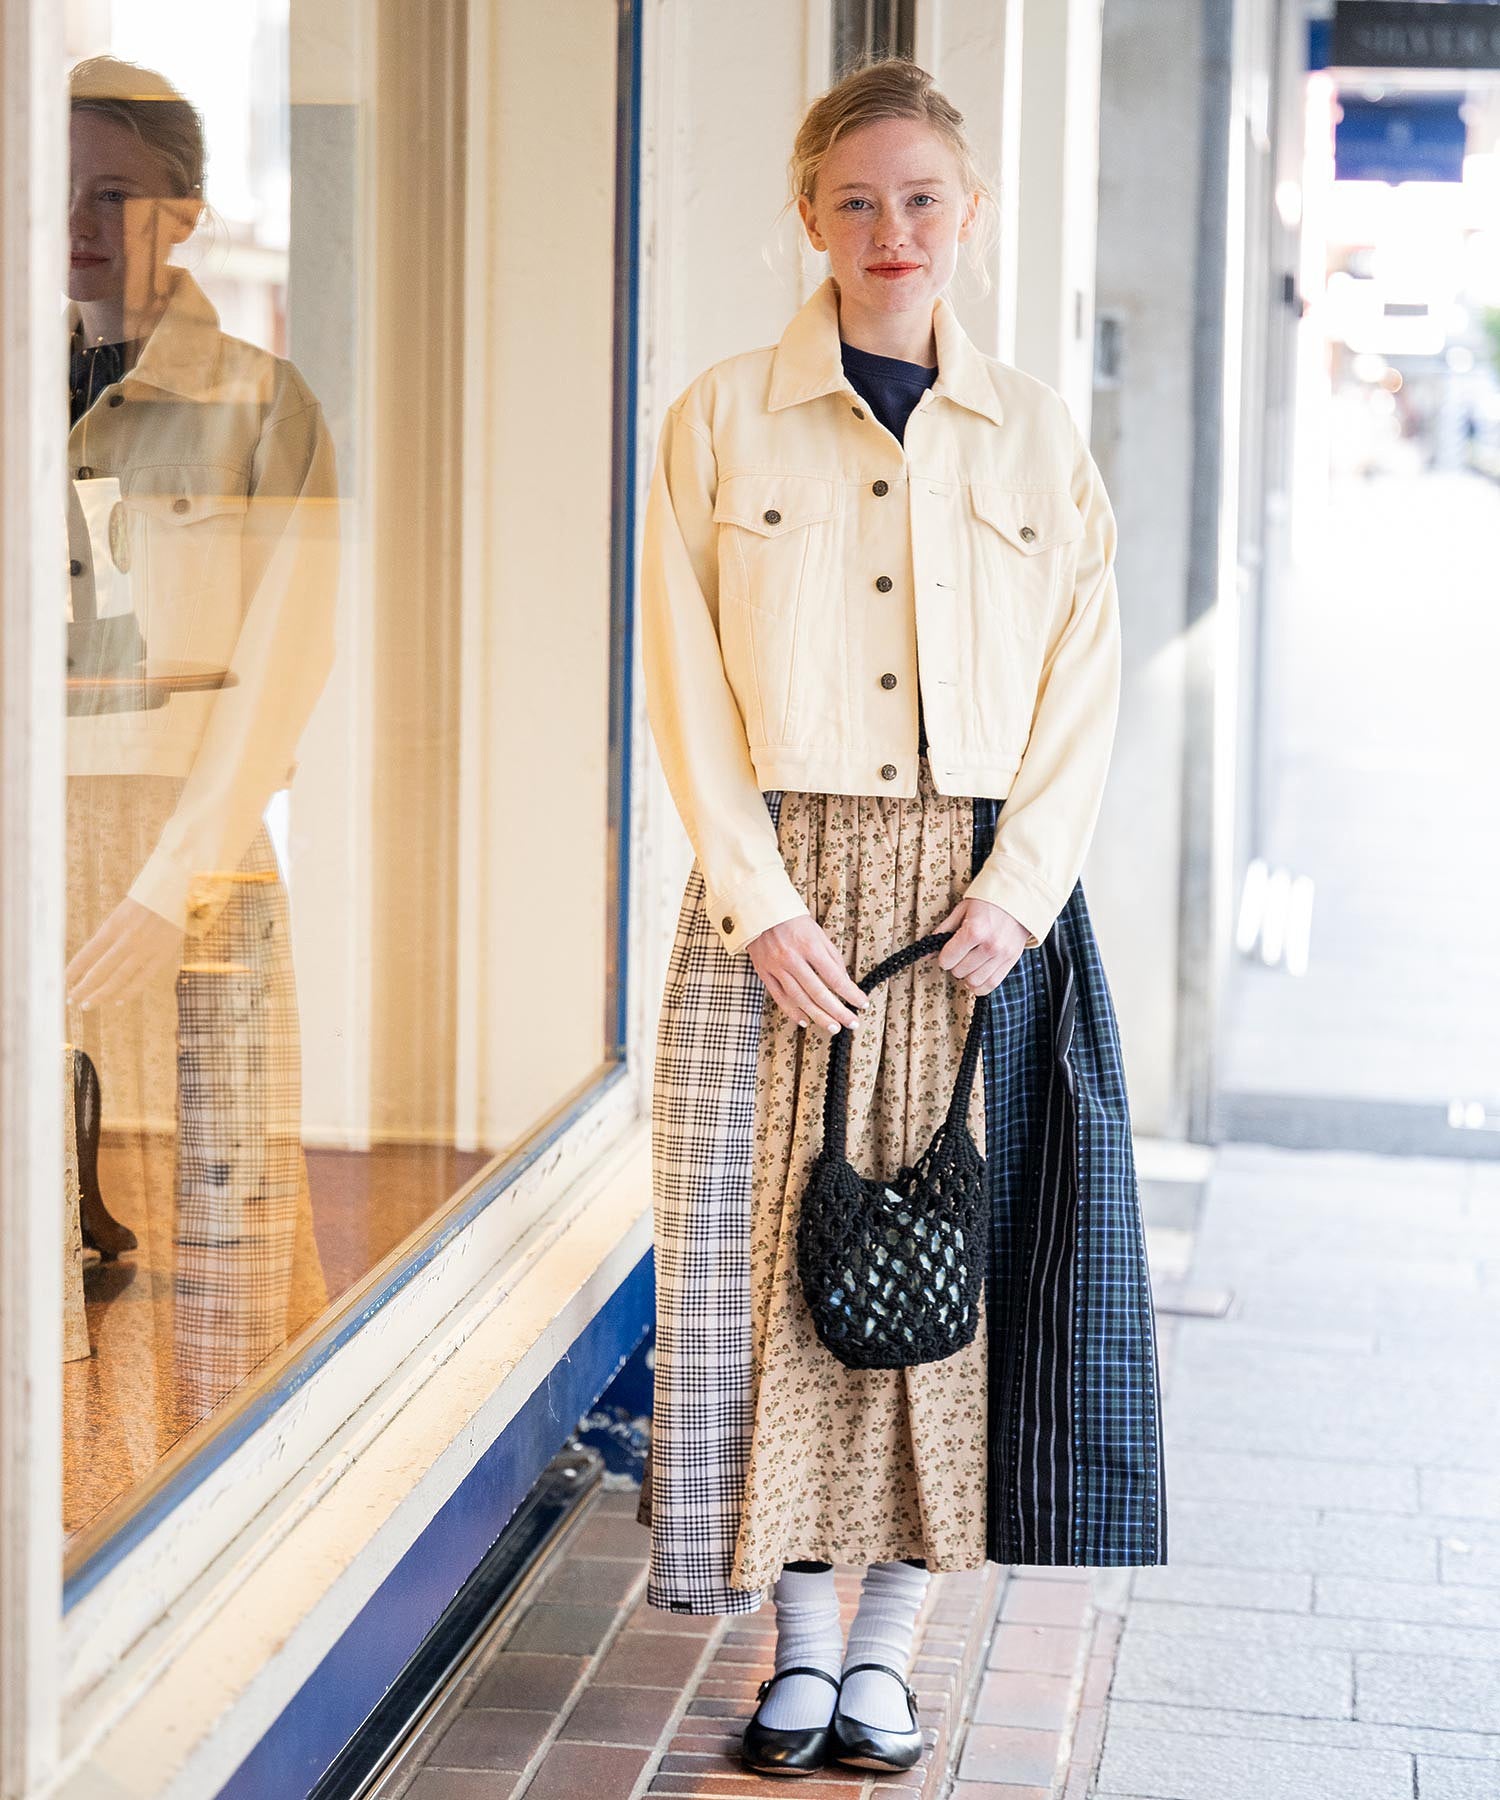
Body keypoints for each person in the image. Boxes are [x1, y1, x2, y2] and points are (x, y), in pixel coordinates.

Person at [636, 56, 1168, 1778]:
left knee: (950, 1282)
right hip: (785, 907)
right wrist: (757, 905)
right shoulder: (720, 420)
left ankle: (887, 1658)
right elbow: (684, 686)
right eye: (856, 200)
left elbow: (1086, 686)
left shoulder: (1039, 437)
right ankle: (797, 1658)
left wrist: (1020, 894)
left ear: (970, 215)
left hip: (970, 915)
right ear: (808, 215)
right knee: (782, 1283)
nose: (892, 231)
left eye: (922, 199)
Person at [62, 54, 338, 1474]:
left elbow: (283, 666)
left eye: (114, 192)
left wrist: (176, 879)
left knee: (211, 1217)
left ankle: (215, 1509)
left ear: (185, 209)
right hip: (31, 847)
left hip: (193, 857)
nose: (80, 225)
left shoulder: (258, 406)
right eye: (55, 192)